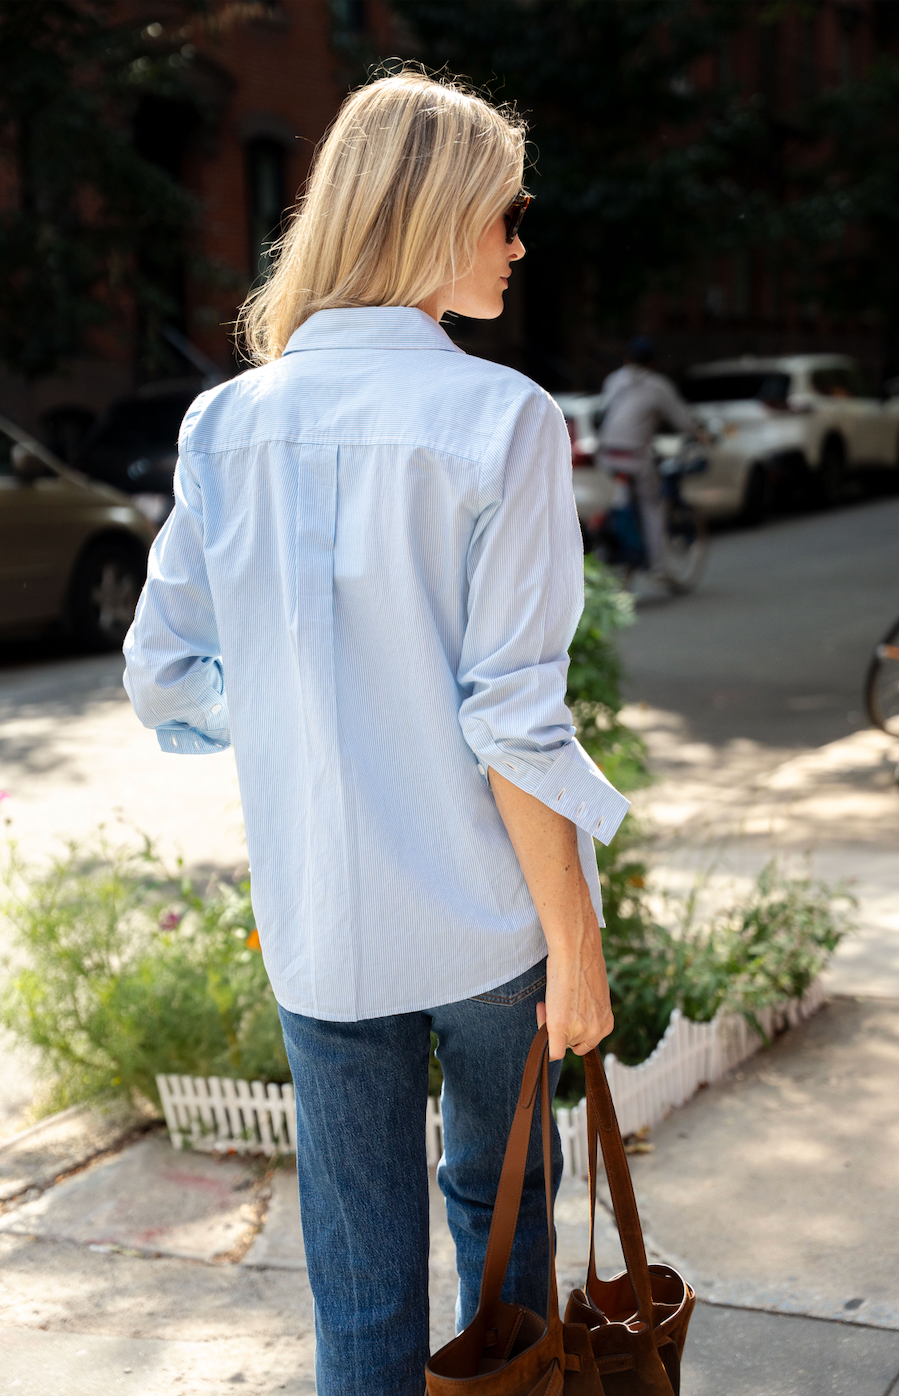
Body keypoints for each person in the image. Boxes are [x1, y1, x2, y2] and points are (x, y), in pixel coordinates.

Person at [122, 70, 629, 1396]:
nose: (518, 243)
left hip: (321, 927)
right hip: (485, 920)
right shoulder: (504, 421)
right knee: (504, 1251)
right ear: (431, 214)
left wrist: (296, 720)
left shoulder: (223, 423)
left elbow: (163, 676)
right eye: (503, 213)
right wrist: (576, 951)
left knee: (355, 1290)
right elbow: (514, 716)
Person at [598, 335, 696, 574]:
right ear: (653, 362)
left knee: (614, 501)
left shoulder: (614, 380)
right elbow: (683, 420)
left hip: (606, 452)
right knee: (652, 504)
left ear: (627, 359)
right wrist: (699, 433)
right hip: (634, 455)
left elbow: (602, 410)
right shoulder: (657, 385)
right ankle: (657, 563)